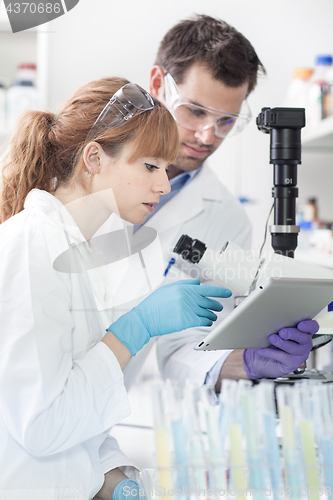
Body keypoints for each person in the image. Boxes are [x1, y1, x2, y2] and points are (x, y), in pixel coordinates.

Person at [0, 77, 233, 499]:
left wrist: (115, 478)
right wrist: (133, 330)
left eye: (165, 168)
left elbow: (80, 416)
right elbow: (41, 423)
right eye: (149, 166)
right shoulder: (32, 245)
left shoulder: (83, 253)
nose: (163, 185)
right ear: (94, 157)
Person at [107, 14, 318, 399]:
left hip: (94, 409)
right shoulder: (84, 162)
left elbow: (186, 348)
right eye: (196, 111)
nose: (207, 136)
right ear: (158, 84)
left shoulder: (225, 218)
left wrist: (246, 361)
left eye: (226, 121)